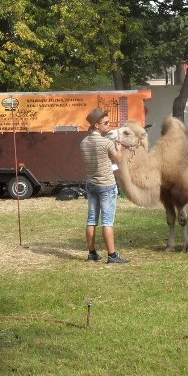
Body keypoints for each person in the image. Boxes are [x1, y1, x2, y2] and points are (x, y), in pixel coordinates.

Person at [80, 107, 129, 264]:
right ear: (96, 125)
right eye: (106, 123)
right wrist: (119, 148)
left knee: (91, 219)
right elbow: (119, 160)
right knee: (107, 221)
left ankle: (92, 254)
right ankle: (112, 255)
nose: (108, 125)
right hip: (106, 185)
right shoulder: (107, 143)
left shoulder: (84, 142)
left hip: (91, 183)